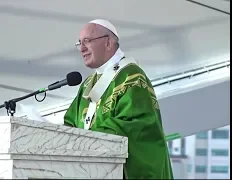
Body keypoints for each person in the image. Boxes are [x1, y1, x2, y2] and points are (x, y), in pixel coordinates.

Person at [64, 19, 174, 179]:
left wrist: (86, 139)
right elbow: (70, 124)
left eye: (87, 41)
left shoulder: (132, 77)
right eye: (79, 43)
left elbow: (137, 125)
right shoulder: (88, 84)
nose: (81, 48)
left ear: (108, 42)